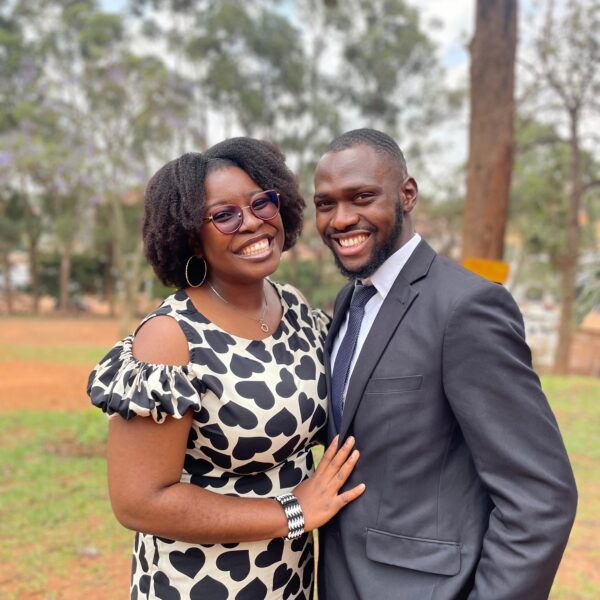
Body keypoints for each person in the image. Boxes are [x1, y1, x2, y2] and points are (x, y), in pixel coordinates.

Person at [87, 137, 365, 600]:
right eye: (225, 215)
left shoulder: (294, 307)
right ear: (191, 238)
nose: (252, 222)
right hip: (199, 584)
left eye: (261, 203)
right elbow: (139, 502)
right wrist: (292, 511)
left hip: (289, 580)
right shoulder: (170, 338)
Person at [313, 128, 578, 600]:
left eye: (362, 197)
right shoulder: (351, 301)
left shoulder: (467, 307)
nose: (341, 218)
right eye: (325, 204)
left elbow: (540, 497)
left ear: (407, 195)